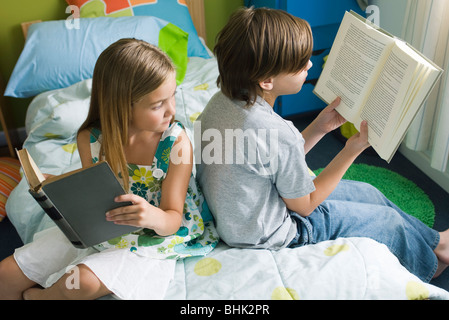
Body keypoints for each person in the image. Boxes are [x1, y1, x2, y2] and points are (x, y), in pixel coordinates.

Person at [195, 7, 449, 283]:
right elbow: (305, 207)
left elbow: (271, 160)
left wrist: (319, 127)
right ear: (266, 80)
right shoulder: (275, 132)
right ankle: (429, 266)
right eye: (301, 63)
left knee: (368, 193)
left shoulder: (218, 103)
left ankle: (438, 243)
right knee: (387, 222)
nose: (310, 66)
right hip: (273, 232)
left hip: (244, 216)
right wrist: (351, 150)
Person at [0, 38, 218, 300]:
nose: (171, 110)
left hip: (156, 235)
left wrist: (149, 216)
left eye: (172, 95)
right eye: (157, 104)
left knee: (81, 283)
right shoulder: (90, 139)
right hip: (104, 229)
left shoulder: (176, 143)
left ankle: (36, 297)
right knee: (5, 274)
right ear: (122, 105)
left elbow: (173, 219)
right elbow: (95, 193)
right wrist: (58, 188)